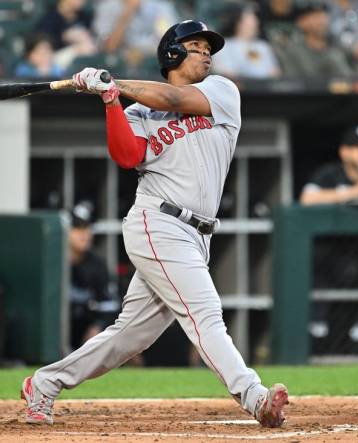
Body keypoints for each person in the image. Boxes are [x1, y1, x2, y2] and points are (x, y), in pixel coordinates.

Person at [21, 19, 289, 429]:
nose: (206, 55)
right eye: (196, 47)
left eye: (207, 48)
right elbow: (127, 156)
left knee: (130, 336)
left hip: (198, 233)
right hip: (157, 222)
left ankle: (45, 382)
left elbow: (173, 98)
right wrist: (111, 101)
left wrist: (112, 81)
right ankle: (254, 397)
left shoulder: (221, 91)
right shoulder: (138, 112)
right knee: (206, 312)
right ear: (173, 53)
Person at [66, 201, 120, 350]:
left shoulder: (97, 265)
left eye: (87, 228)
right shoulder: (52, 262)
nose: (84, 234)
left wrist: (98, 326)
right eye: (78, 228)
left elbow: (110, 306)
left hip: (84, 332)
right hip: (58, 330)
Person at [272, 0, 352, 77]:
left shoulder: (338, 47)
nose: (321, 20)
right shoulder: (292, 52)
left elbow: (351, 80)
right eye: (314, 16)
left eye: (323, 15)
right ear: (300, 22)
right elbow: (293, 83)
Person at [212, 2, 280, 79]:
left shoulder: (263, 46)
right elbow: (226, 74)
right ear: (238, 22)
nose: (255, 21)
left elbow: (274, 73)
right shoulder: (223, 46)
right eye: (249, 17)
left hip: (265, 89)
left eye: (255, 17)